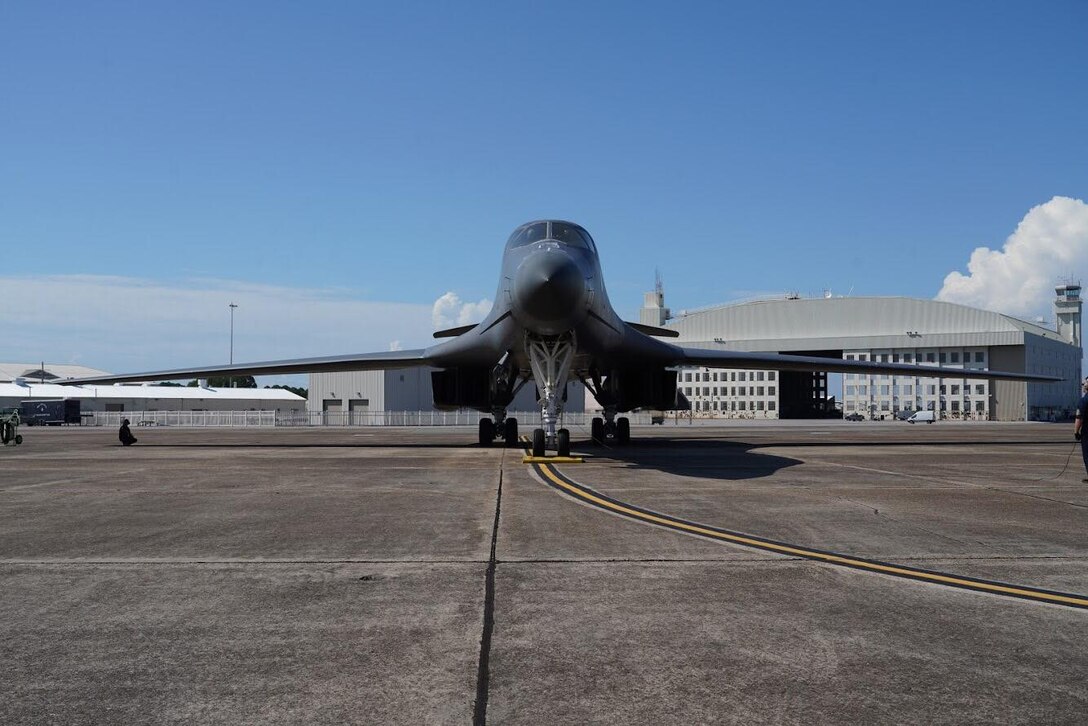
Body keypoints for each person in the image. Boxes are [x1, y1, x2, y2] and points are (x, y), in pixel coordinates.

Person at [1076, 379, 1088, 482]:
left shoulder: (1083, 401)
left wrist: (1076, 432)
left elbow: (1079, 418)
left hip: (1087, 432)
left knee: (1087, 454)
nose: (1083, 385)